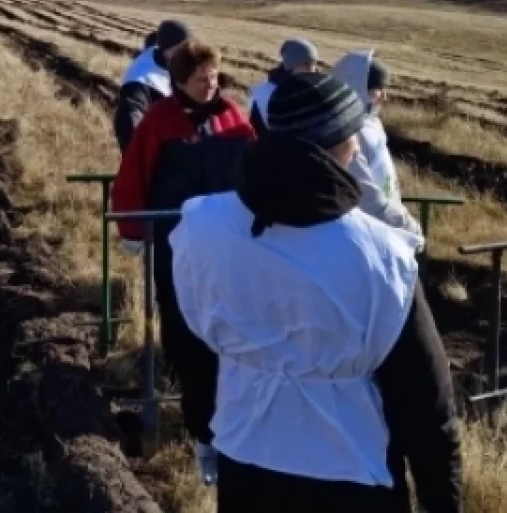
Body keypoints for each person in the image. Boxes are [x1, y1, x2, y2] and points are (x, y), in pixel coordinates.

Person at [172, 72, 461, 512]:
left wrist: (204, 427)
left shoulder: (201, 226)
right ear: (330, 146)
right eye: (351, 135)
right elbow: (426, 402)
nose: (359, 147)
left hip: (244, 461)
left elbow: (190, 345)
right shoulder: (381, 256)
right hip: (352, 475)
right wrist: (442, 501)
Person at [110, 39, 255, 486]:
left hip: (229, 248)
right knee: (186, 333)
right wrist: (133, 228)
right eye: (200, 79)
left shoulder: (233, 117)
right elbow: (134, 171)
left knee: (230, 334)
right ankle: (202, 433)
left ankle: (235, 427)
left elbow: (254, 168)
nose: (210, 86)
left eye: (214, 77)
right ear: (178, 81)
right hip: (179, 246)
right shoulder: (160, 121)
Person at [330, 50, 423, 238]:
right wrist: (406, 226)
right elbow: (364, 194)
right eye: (379, 89)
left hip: (386, 223)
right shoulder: (349, 133)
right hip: (369, 229)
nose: (385, 97)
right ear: (360, 88)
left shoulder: (372, 122)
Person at [113, 19, 192, 152]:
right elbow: (128, 117)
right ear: (168, 48)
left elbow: (153, 39)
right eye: (182, 48)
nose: (187, 52)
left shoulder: (164, 53)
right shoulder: (141, 81)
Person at [248, 38, 318, 133]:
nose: (312, 69)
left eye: (313, 63)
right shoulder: (263, 93)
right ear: (291, 63)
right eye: (307, 63)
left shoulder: (316, 90)